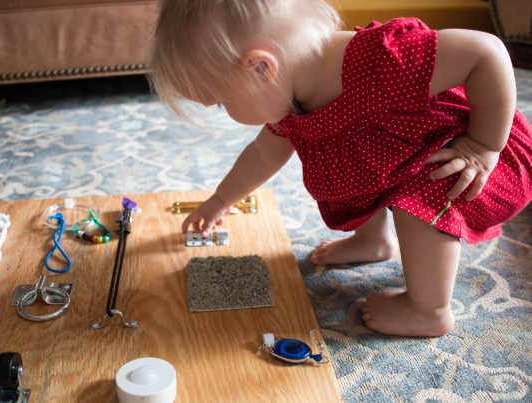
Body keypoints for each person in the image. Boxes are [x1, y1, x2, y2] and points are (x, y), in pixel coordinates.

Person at [149, 0, 532, 337]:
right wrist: (219, 200)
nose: (226, 113)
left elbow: (487, 52)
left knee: (420, 189)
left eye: (221, 102)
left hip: (467, 163)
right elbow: (264, 155)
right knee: (355, 168)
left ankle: (428, 310)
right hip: (404, 157)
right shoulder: (287, 91)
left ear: (261, 67)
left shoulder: (382, 59)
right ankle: (373, 242)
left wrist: (483, 145)